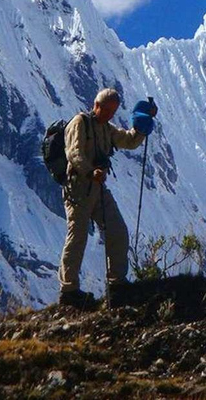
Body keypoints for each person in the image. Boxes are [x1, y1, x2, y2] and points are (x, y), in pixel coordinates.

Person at [58, 88, 156, 308]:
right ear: (96, 105)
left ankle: (116, 284)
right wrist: (90, 171)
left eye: (113, 112)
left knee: (117, 231)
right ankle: (68, 291)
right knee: (77, 238)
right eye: (107, 110)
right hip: (78, 188)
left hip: (97, 187)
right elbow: (73, 154)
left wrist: (142, 125)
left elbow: (128, 141)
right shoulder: (79, 123)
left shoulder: (106, 128)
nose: (109, 115)